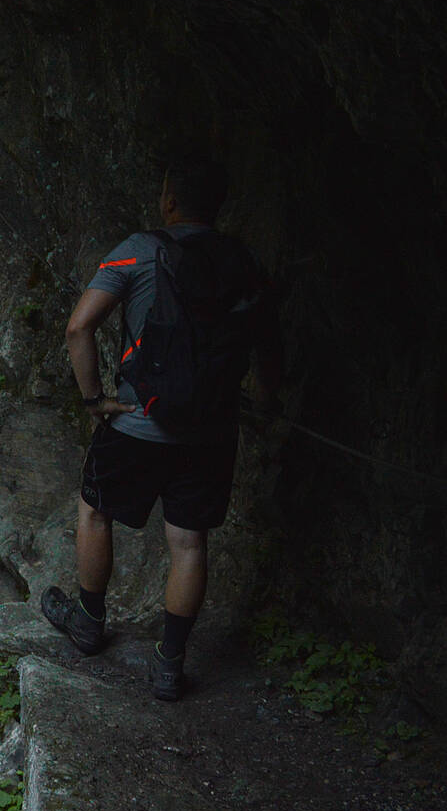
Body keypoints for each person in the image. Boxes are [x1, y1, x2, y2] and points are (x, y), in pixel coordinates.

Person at [43, 158, 282, 700]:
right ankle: (170, 664)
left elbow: (79, 326)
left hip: (135, 422)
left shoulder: (138, 249)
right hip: (210, 431)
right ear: (217, 206)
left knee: (95, 510)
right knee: (189, 542)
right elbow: (266, 342)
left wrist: (94, 400)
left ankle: (88, 620)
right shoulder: (243, 261)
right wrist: (263, 402)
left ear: (169, 200)